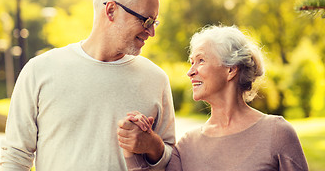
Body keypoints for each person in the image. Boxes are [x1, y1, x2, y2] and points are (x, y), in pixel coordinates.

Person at [0, 0, 176, 171]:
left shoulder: (156, 79)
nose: (152, 32)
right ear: (111, 11)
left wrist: (153, 145)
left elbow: (172, 161)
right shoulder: (39, 70)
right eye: (146, 21)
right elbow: (15, 158)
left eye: (154, 23)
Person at [120, 25, 309, 171]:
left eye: (201, 61)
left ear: (231, 69)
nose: (190, 72)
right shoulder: (187, 146)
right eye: (191, 62)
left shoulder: (277, 133)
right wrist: (133, 144)